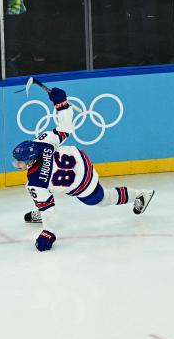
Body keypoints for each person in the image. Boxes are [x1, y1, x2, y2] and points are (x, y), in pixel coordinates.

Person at [12, 86, 155, 252]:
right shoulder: (41, 143)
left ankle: (140, 195)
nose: (17, 165)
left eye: (20, 162)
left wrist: (48, 233)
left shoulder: (35, 184)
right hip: (80, 159)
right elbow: (65, 128)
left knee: (102, 200)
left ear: (30, 162)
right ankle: (41, 211)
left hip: (82, 182)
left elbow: (50, 210)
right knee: (44, 203)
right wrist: (61, 104)